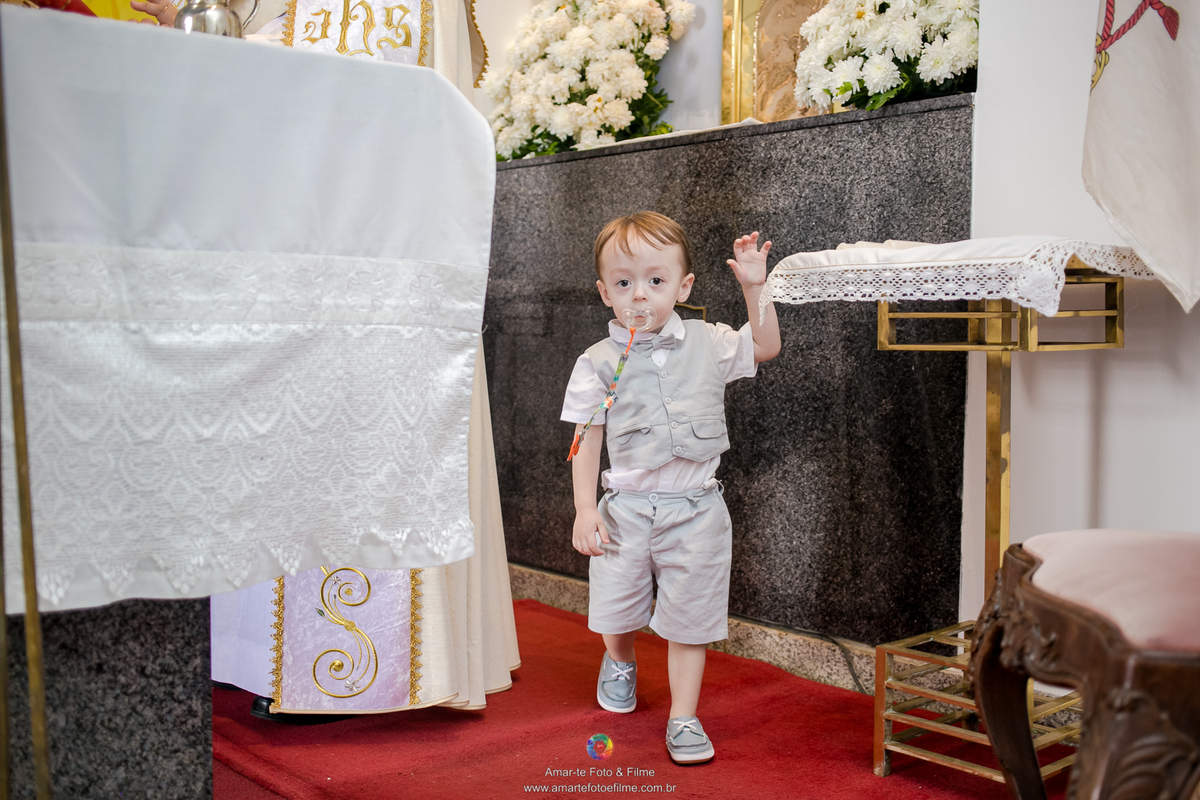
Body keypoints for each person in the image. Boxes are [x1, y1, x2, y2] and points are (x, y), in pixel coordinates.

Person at [561, 211, 781, 764]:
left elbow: (765, 346)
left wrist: (755, 287)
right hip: (626, 512)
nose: (640, 294)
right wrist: (585, 509)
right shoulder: (596, 362)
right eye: (624, 282)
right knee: (616, 607)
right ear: (605, 293)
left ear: (683, 287)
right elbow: (585, 437)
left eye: (656, 280)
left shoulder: (711, 341)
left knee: (691, 619)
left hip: (697, 511)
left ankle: (684, 716)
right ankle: (620, 659)